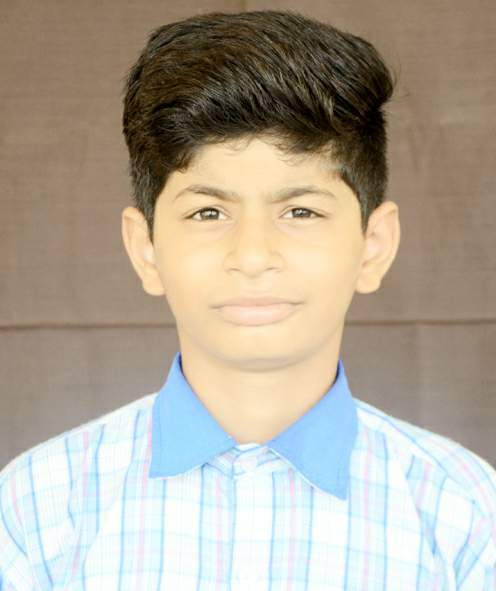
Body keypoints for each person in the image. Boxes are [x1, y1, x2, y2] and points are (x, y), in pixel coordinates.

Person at [1, 8, 495, 590]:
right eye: (208, 212)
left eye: (300, 211)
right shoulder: (35, 510)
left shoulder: (465, 517)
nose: (254, 256)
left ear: (374, 246)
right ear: (145, 248)